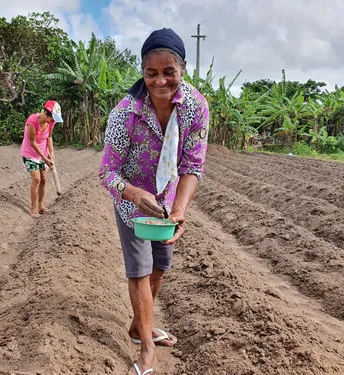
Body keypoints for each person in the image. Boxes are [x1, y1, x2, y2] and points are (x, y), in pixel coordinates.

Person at [99, 28, 209, 375]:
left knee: (160, 266)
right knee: (140, 272)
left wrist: (179, 210)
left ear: (183, 69)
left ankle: (137, 325)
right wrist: (133, 193)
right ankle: (146, 347)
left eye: (168, 72)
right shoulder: (124, 114)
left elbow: (193, 164)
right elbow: (107, 172)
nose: (160, 81)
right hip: (133, 203)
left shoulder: (196, 107)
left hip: (168, 201)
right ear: (143, 73)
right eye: (151, 73)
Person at [21, 100, 63, 218]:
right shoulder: (32, 121)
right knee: (36, 179)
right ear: (46, 113)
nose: (53, 121)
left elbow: (49, 137)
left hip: (43, 153)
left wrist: (51, 153)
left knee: (44, 179)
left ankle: (41, 206)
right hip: (30, 154)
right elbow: (33, 142)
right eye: (52, 118)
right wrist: (45, 158)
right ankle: (33, 209)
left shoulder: (51, 123)